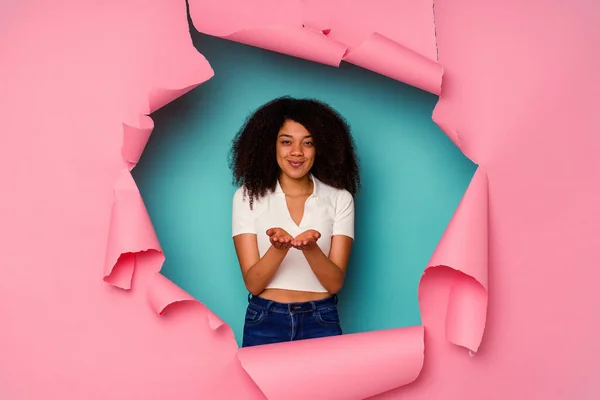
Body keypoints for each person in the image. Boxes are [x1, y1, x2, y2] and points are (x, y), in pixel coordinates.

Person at [229, 96, 360, 348]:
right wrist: (279, 249)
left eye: (307, 143)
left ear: (320, 147)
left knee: (329, 389)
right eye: (286, 142)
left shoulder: (340, 198)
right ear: (271, 145)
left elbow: (334, 284)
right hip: (265, 319)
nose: (297, 152)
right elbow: (254, 284)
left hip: (322, 320)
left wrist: (310, 249)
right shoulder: (247, 196)